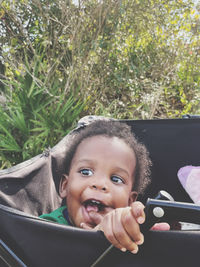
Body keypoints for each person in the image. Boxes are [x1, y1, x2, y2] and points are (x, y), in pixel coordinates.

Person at [40, 119, 169, 254]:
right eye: (86, 172)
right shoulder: (46, 228)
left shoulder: (130, 228)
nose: (100, 184)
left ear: (130, 201)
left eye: (116, 179)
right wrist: (94, 243)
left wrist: (140, 233)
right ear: (65, 186)